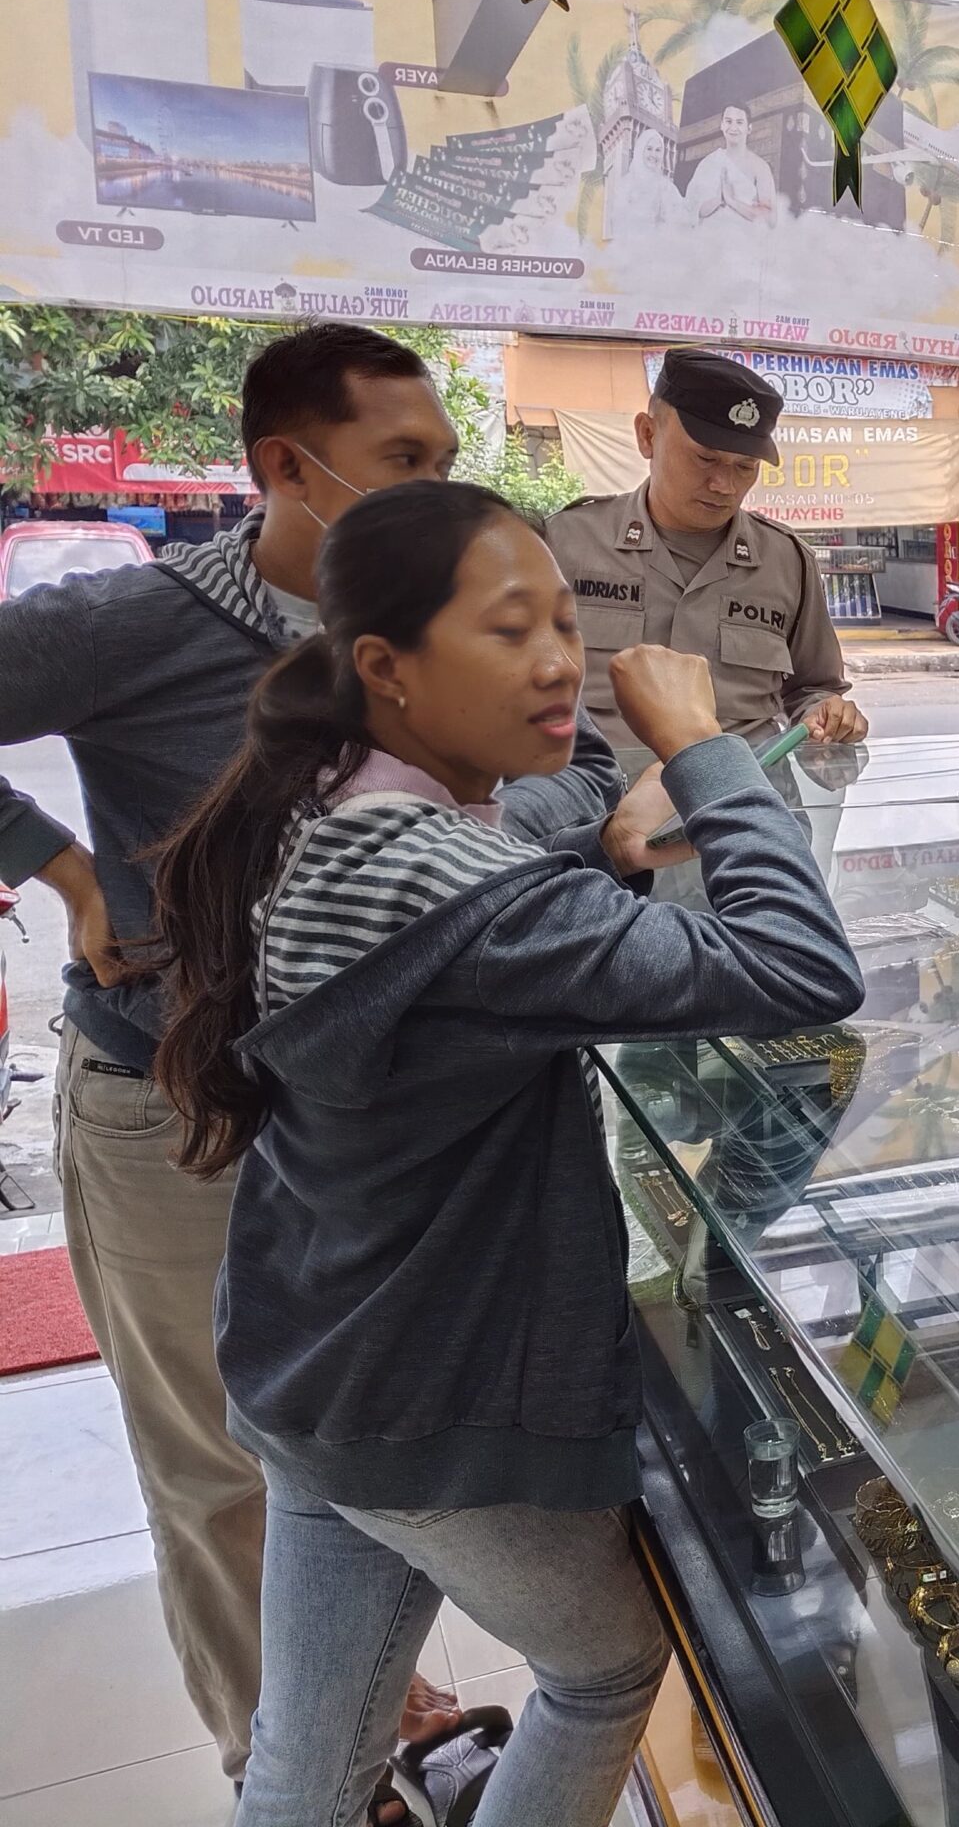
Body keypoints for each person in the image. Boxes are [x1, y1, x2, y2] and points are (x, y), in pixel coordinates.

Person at [0, 324, 650, 1818]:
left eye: (445, 456)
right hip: (179, 1115)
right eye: (401, 459)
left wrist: (492, 829)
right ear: (288, 468)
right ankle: (296, 1775)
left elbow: (583, 764)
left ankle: (350, 1737)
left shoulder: (446, 611)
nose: (434, 485)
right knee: (225, 1475)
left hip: (369, 1130)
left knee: (354, 1455)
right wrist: (57, 864)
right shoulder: (140, 622)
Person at [146, 481, 865, 1827]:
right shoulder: (464, 896)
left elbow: (505, 890)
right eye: (507, 628)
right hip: (425, 1397)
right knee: (605, 1671)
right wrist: (704, 749)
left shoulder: (327, 801)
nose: (557, 663)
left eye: (564, 624)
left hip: (310, 1356)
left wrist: (610, 848)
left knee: (309, 1757)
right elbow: (800, 968)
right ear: (387, 667)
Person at [546, 349, 868, 750]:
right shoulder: (563, 544)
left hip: (737, 784)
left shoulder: (787, 562)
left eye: (745, 466)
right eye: (705, 458)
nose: (724, 485)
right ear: (648, 435)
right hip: (601, 785)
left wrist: (827, 714)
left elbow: (814, 688)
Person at [684, 104, 778, 226]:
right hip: (707, 235)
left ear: (749, 128)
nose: (733, 127)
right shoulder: (708, 162)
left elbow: (770, 218)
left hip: (744, 236)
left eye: (739, 122)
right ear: (722, 125)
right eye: (728, 121)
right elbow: (691, 209)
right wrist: (718, 200)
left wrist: (732, 201)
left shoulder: (760, 167)